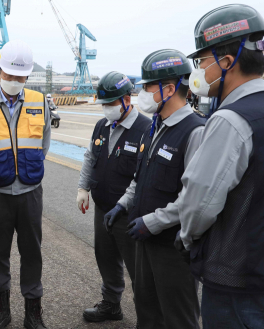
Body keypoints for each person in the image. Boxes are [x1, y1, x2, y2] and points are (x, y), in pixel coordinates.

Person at [178, 4, 264, 328]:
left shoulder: (230, 120)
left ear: (226, 61)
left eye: (202, 61)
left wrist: (188, 239)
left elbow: (199, 203)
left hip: (239, 287)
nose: (199, 71)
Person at [106, 49, 205, 329]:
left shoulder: (194, 131)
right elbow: (142, 175)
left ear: (169, 88)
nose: (143, 94)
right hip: (145, 240)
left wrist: (152, 222)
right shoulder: (156, 126)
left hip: (172, 247)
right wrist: (123, 204)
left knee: (178, 317)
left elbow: (193, 199)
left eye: (148, 87)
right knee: (147, 312)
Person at [0, 40, 51, 329]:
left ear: (27, 77)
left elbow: (44, 145)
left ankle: (33, 313)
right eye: (10, 75)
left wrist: (27, 169)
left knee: (32, 252)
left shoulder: (40, 101)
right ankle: (1, 311)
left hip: (30, 192)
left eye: (20, 77)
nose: (15, 81)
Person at [76, 71, 150, 323]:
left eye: (111, 104)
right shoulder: (102, 126)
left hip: (128, 213)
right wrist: (82, 188)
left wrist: (123, 205)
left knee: (137, 268)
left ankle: (146, 316)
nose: (107, 109)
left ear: (127, 99)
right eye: (104, 104)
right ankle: (111, 304)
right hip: (102, 207)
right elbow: (90, 157)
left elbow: (142, 177)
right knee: (105, 257)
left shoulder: (146, 129)